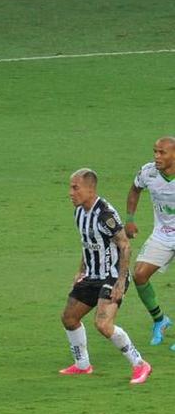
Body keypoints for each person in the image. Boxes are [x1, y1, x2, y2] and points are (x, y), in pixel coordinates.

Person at [60, 169, 152, 384]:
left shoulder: (105, 215)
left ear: (90, 189)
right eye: (70, 188)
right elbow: (87, 243)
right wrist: (81, 270)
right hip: (92, 274)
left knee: (103, 324)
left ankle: (140, 364)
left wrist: (121, 281)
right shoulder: (79, 212)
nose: (70, 193)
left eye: (75, 188)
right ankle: (83, 365)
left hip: (111, 276)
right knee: (69, 318)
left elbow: (125, 245)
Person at [124, 137, 175, 347]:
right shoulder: (148, 172)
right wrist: (130, 219)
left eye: (162, 152)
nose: (156, 156)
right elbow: (135, 189)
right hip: (163, 233)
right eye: (155, 151)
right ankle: (160, 320)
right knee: (140, 275)